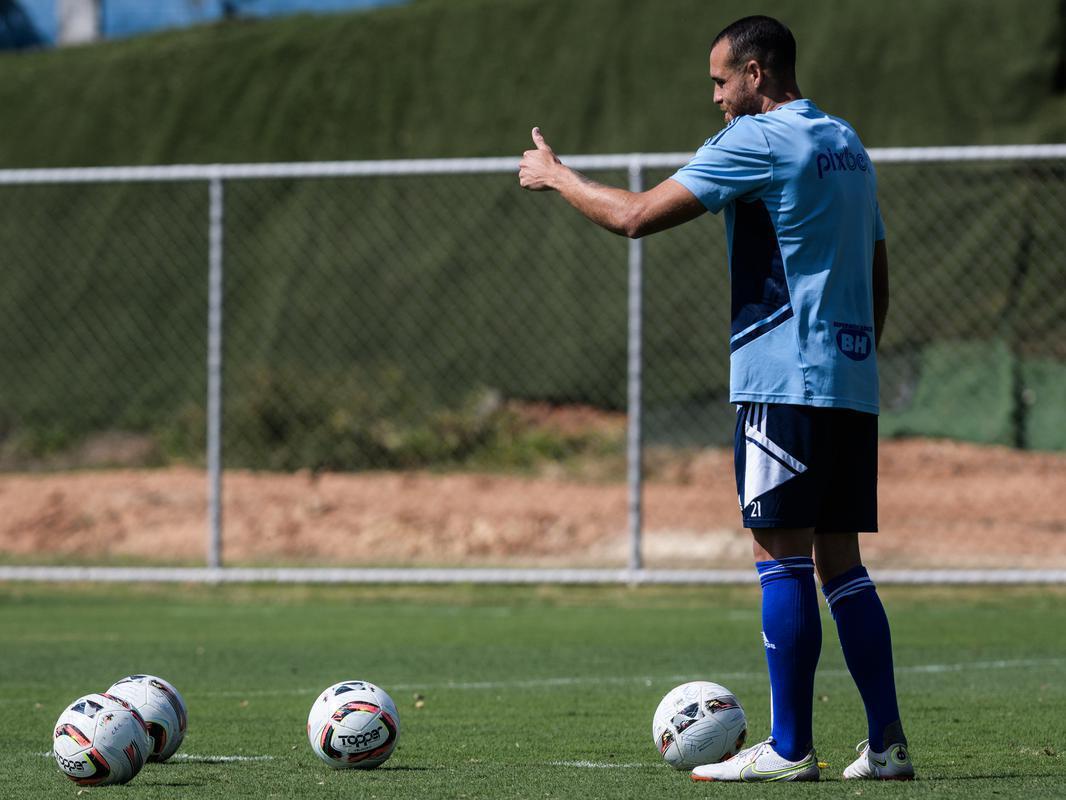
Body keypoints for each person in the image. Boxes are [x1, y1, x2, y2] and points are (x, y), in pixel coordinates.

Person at [518, 14, 913, 784]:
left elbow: (635, 217)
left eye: (721, 82)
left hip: (781, 381)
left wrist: (556, 175)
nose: (716, 99)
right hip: (846, 377)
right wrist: (854, 360)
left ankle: (791, 748)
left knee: (779, 556)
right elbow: (877, 264)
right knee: (844, 565)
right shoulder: (846, 143)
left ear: (757, 75)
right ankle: (888, 745)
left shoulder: (758, 141)